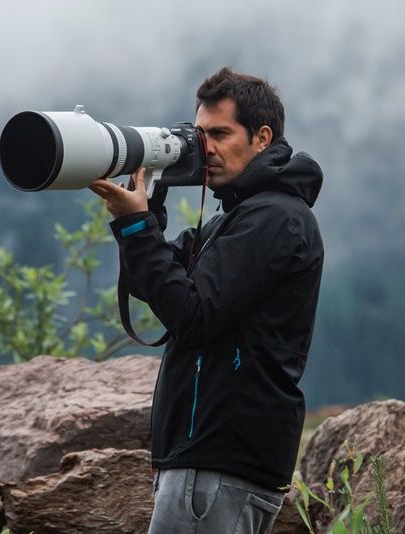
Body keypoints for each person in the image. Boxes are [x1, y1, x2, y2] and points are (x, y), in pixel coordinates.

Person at [89, 67, 323, 534]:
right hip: (211, 461)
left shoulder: (274, 219)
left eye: (220, 133)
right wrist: (146, 207)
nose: (205, 148)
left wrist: (137, 227)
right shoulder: (234, 220)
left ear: (261, 137)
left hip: (219, 462)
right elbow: (154, 282)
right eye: (199, 135)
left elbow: (191, 314)